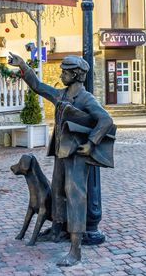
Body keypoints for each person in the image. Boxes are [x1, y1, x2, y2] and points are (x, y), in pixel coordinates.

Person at [8, 53, 115, 267]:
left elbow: (105, 120)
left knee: (75, 196)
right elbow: (38, 86)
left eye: (65, 72)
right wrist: (23, 66)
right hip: (61, 153)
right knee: (57, 191)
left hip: (77, 155)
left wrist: (92, 143)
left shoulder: (86, 98)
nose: (61, 74)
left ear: (76, 75)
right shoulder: (61, 94)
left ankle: (75, 250)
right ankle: (56, 230)